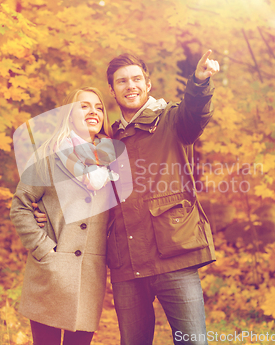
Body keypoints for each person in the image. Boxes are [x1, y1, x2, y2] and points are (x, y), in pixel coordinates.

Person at [35, 51, 219, 345]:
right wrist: (42, 208)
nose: (130, 85)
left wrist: (199, 81)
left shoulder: (172, 120)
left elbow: (196, 112)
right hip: (127, 264)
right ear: (112, 89)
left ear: (148, 84)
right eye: (122, 81)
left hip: (175, 255)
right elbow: (83, 190)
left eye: (136, 79)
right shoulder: (108, 141)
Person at [10, 87, 119, 345]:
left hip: (90, 275)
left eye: (99, 107)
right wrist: (44, 249)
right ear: (69, 114)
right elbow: (21, 206)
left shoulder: (112, 162)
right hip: (50, 271)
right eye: (84, 106)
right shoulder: (48, 156)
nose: (93, 111)